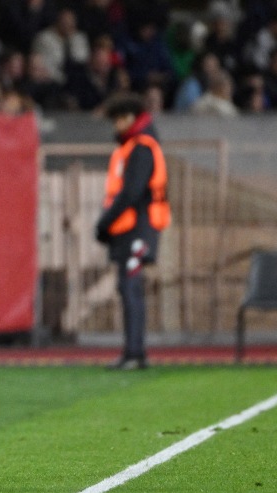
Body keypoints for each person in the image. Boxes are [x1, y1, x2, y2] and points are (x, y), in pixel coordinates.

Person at [95, 93, 170, 371]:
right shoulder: (135, 146)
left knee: (130, 288)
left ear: (129, 118)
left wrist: (104, 223)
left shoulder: (140, 148)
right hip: (130, 229)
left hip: (137, 229)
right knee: (128, 287)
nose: (116, 126)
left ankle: (135, 353)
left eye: (118, 120)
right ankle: (132, 351)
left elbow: (131, 192)